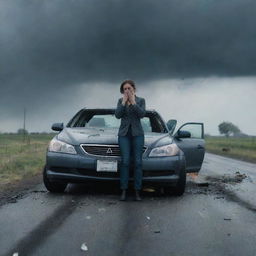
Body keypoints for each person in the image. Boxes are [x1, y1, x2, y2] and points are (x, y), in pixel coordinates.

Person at [115, 79, 146, 201]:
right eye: (125, 89)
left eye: (129, 88)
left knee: (138, 162)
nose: (127, 90)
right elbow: (117, 115)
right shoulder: (120, 101)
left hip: (138, 134)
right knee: (125, 162)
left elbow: (142, 114)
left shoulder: (141, 100)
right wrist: (123, 103)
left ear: (134, 88)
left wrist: (133, 102)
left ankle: (137, 191)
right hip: (124, 135)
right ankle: (124, 190)